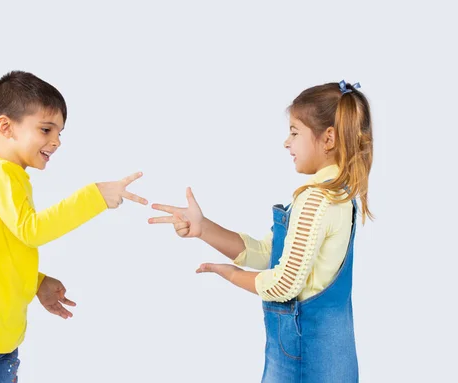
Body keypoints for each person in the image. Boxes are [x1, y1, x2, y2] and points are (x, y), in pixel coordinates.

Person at [0, 70, 147, 382]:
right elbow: (32, 230)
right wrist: (94, 196)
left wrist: (37, 282)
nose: (56, 142)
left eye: (59, 133)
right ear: (6, 127)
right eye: (46, 129)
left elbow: (3, 250)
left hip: (1, 338)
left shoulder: (13, 177)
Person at [149, 80, 372, 382]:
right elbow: (267, 253)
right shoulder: (341, 194)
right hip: (334, 361)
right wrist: (203, 229)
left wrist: (229, 274)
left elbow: (283, 286)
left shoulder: (316, 199)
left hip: (303, 359)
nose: (286, 143)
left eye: (295, 132)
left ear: (328, 138)